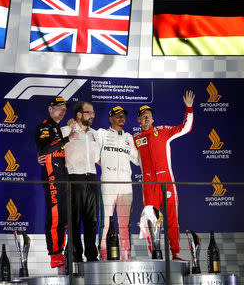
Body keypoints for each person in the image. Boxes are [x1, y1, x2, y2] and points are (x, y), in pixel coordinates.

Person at [133, 90, 195, 261]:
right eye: (143, 116)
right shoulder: (135, 138)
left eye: (149, 116)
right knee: (150, 219)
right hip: (149, 186)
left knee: (172, 220)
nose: (146, 118)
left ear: (153, 119)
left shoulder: (163, 131)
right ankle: (155, 254)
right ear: (138, 120)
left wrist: (189, 108)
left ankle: (175, 253)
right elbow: (130, 157)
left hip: (167, 182)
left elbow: (185, 128)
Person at [34, 96, 77, 268]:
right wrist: (68, 139)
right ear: (50, 109)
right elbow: (44, 149)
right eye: (59, 107)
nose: (63, 110)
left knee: (64, 216)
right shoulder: (45, 126)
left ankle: (62, 251)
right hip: (52, 176)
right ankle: (55, 254)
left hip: (62, 176)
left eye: (65, 108)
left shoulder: (57, 128)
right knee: (55, 216)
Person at [97, 106, 139, 261]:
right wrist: (107, 166)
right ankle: (103, 254)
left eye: (123, 116)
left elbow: (138, 159)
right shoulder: (102, 133)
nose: (121, 118)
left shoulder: (129, 137)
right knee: (106, 221)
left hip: (126, 185)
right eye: (117, 116)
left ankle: (126, 255)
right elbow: (93, 154)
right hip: (108, 183)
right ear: (111, 118)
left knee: (124, 223)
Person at [61, 101, 100, 262]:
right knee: (74, 220)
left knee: (92, 220)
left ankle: (92, 256)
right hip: (74, 178)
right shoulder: (66, 129)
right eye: (89, 112)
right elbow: (53, 148)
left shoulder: (95, 134)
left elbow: (98, 158)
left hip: (92, 178)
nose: (92, 115)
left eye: (93, 113)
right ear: (79, 114)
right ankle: (75, 255)